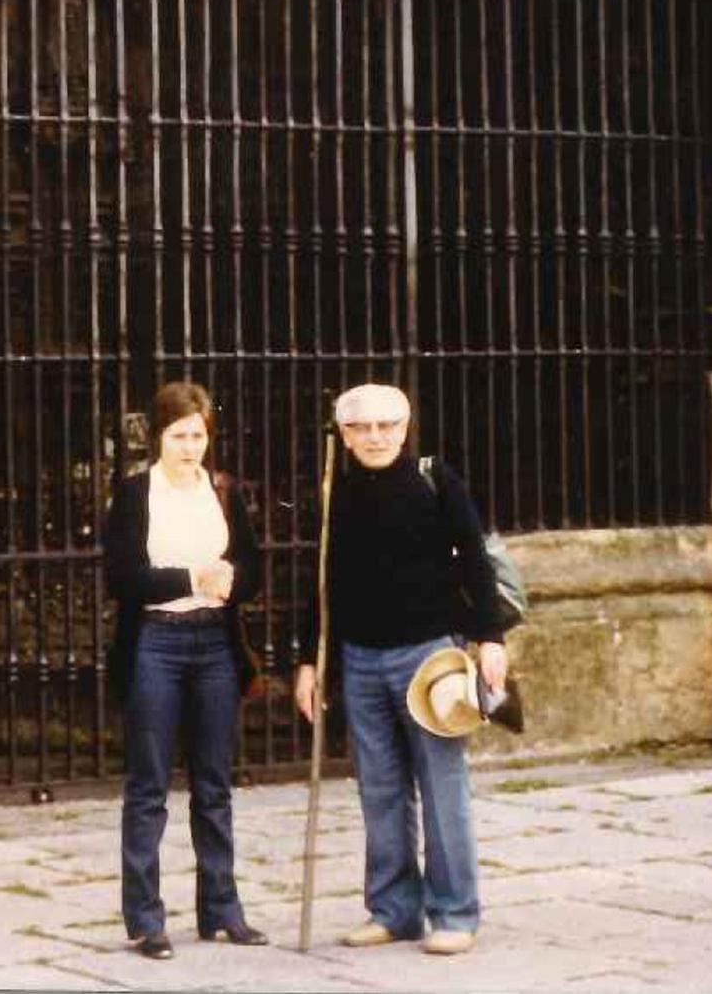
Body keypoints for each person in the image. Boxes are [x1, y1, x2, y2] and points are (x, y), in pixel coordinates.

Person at [294, 382, 510, 956]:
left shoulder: (435, 480)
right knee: (380, 790)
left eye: (386, 425)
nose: (375, 436)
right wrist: (308, 662)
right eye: (362, 427)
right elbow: (319, 581)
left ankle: (455, 912)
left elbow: (477, 562)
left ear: (405, 427)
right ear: (344, 434)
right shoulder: (334, 490)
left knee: (442, 786)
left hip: (429, 655)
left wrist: (490, 638)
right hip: (360, 659)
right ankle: (393, 909)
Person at [103, 381, 268, 959]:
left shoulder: (222, 492)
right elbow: (121, 578)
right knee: (148, 786)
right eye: (179, 436)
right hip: (156, 641)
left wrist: (232, 580)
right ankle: (146, 919)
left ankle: (222, 909)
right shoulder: (133, 494)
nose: (190, 447)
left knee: (214, 784)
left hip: (214, 644)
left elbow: (252, 566)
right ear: (158, 438)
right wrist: (189, 579)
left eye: (199, 435)